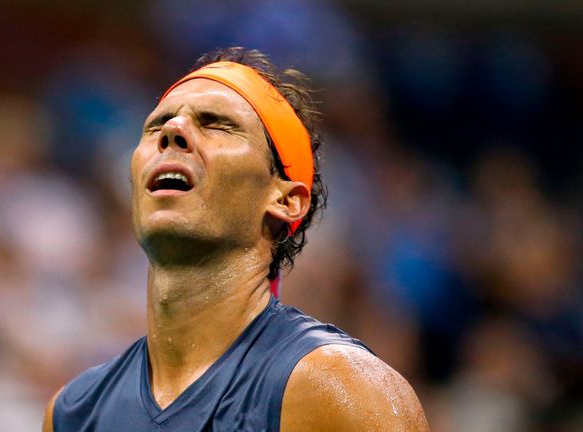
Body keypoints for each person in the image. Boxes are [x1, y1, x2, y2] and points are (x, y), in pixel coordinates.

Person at [43, 47, 429, 431]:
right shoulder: (73, 412)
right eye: (155, 126)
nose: (172, 132)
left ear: (286, 200)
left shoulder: (339, 389)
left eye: (216, 124)